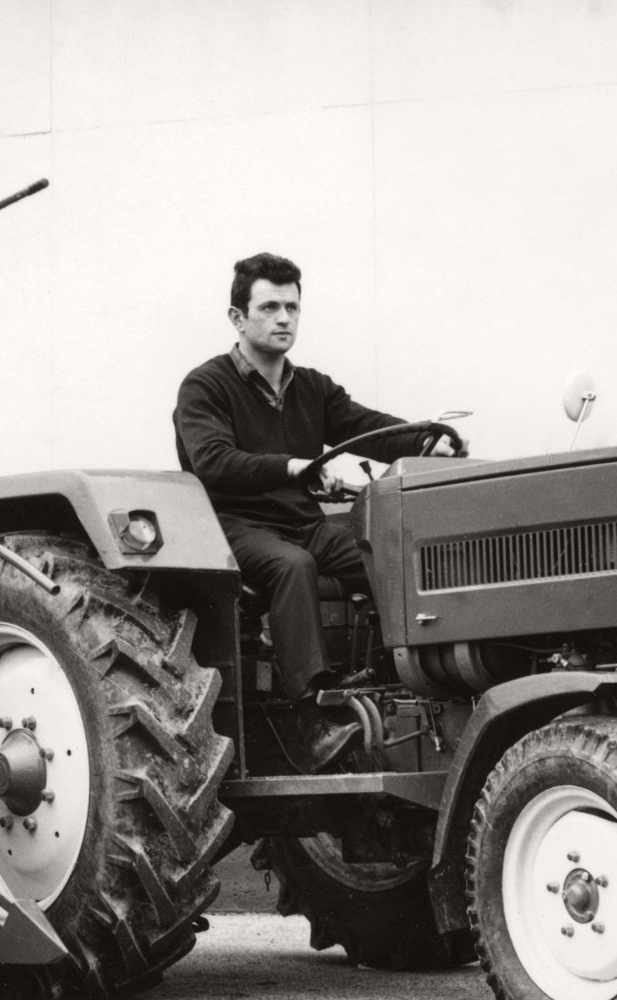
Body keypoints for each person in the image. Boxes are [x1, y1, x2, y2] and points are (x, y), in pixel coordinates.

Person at [173, 252, 461, 770]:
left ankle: (400, 677)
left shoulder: (310, 387)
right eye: (269, 307)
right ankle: (309, 718)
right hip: (234, 527)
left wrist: (426, 440)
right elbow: (212, 462)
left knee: (387, 558)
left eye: (292, 307)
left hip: (302, 523)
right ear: (238, 318)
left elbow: (362, 425)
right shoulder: (206, 386)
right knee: (292, 567)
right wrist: (294, 468)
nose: (284, 319)